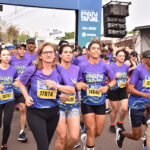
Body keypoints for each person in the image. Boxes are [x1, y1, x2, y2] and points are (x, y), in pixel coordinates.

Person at [18, 42, 75, 150]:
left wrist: (57, 86)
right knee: (44, 146)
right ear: (40, 55)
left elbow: (72, 90)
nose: (48, 55)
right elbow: (21, 83)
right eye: (45, 52)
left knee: (45, 145)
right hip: (35, 111)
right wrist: (26, 97)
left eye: (51, 52)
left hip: (53, 112)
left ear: (55, 55)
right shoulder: (32, 69)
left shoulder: (59, 69)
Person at [77, 41, 116, 150]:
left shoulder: (105, 66)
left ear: (100, 51)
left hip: (100, 102)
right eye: (93, 48)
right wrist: (81, 84)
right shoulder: (82, 66)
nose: (96, 50)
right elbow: (77, 82)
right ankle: (90, 146)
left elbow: (113, 81)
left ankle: (86, 139)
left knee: (98, 131)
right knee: (91, 129)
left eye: (98, 49)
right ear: (88, 51)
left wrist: (107, 87)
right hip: (87, 101)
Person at [116, 50, 150, 148]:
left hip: (148, 106)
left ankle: (146, 144)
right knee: (136, 136)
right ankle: (121, 133)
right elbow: (130, 89)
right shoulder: (138, 70)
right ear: (144, 59)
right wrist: (146, 95)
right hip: (137, 106)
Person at [55, 44, 80, 150]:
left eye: (70, 52)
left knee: (74, 138)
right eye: (65, 52)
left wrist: (80, 85)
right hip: (57, 106)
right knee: (62, 137)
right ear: (60, 54)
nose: (69, 54)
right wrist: (58, 95)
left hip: (73, 105)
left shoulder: (77, 68)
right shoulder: (54, 69)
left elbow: (80, 82)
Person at [9, 43, 32, 142]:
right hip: (11, 89)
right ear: (16, 50)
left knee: (23, 108)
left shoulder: (28, 60)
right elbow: (6, 71)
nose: (22, 51)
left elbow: (31, 72)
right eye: (20, 49)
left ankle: (22, 132)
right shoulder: (11, 59)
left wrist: (29, 80)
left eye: (24, 49)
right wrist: (12, 81)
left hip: (23, 89)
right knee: (9, 113)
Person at [0, 49, 18, 150]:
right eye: (4, 55)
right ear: (0, 57)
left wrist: (16, 82)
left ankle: (4, 143)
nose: (7, 56)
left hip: (9, 99)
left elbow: (17, 79)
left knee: (7, 122)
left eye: (8, 55)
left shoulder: (13, 69)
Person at [107, 50, 129, 133]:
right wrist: (114, 76)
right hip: (113, 90)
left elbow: (126, 75)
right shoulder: (111, 66)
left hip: (122, 89)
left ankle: (120, 122)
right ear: (116, 57)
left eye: (123, 56)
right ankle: (112, 124)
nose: (122, 57)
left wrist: (127, 79)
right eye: (120, 56)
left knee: (124, 108)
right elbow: (106, 78)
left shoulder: (126, 66)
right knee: (115, 109)